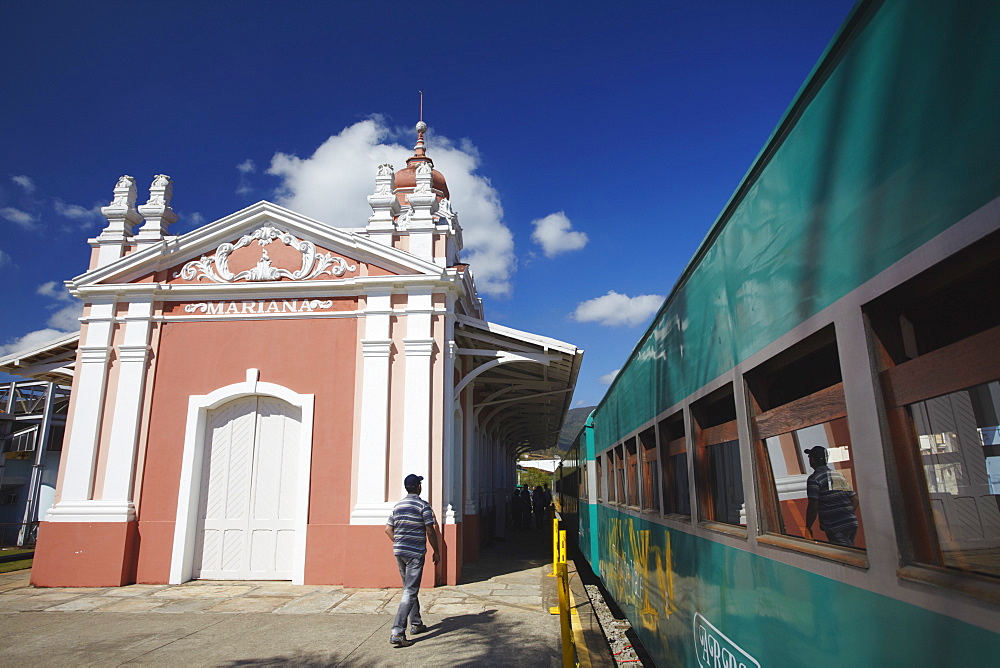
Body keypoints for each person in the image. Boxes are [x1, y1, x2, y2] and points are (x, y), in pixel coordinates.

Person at [385, 474, 441, 647]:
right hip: (415, 553)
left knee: (409, 588)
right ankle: (397, 631)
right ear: (418, 487)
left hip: (399, 552)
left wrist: (399, 542)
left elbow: (388, 529)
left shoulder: (398, 505)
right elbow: (430, 531)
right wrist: (436, 551)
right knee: (410, 590)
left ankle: (416, 623)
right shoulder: (423, 506)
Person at [803, 446, 859, 547]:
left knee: (844, 556)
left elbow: (813, 506)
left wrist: (808, 526)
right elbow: (854, 499)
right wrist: (846, 514)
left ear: (812, 460)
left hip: (835, 526)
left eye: (810, 457)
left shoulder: (814, 479)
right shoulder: (837, 476)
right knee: (851, 552)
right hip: (851, 522)